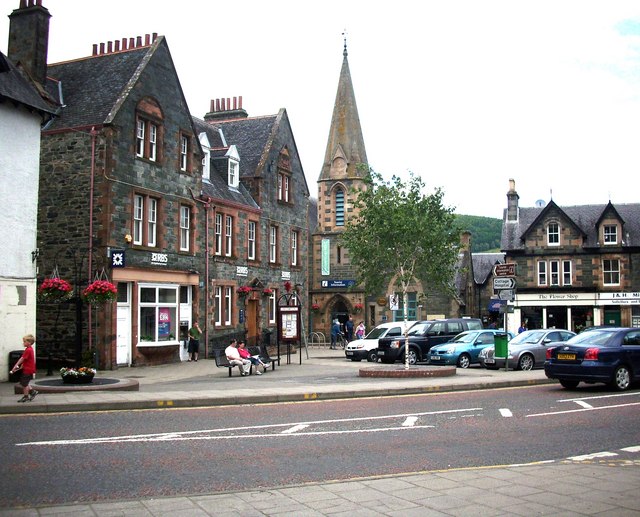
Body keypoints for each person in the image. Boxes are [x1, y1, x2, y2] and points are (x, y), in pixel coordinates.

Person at [10, 334, 39, 403]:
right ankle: (32, 392)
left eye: (24, 341)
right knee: (24, 382)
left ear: (29, 342)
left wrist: (15, 366)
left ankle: (26, 396)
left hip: (28, 369)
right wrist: (22, 365)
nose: (23, 343)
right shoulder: (29, 349)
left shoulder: (28, 350)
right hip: (28, 368)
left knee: (24, 384)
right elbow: (27, 359)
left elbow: (22, 359)